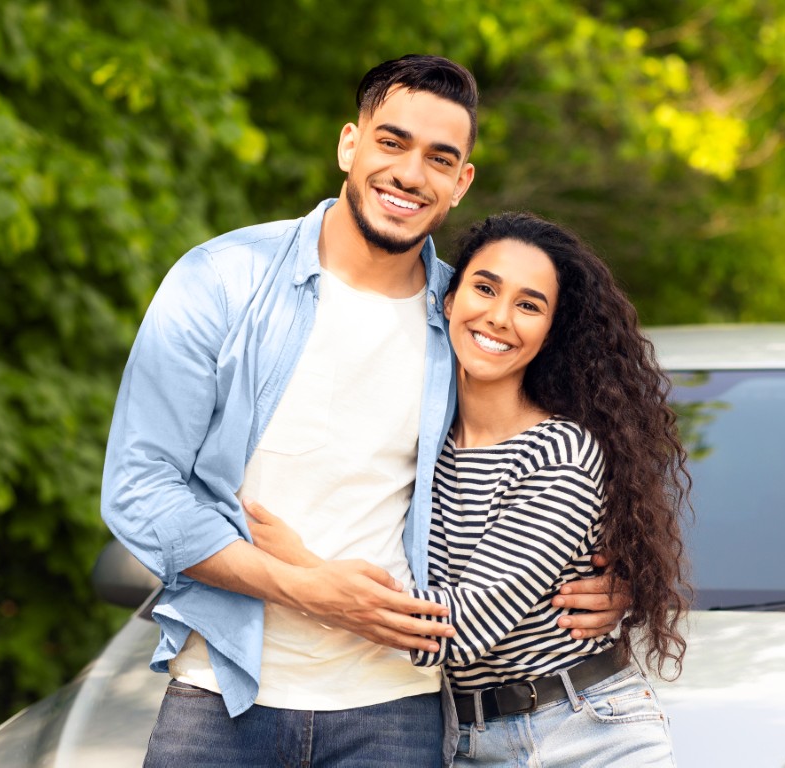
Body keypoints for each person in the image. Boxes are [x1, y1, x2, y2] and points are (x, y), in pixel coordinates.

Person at [100, 55, 626, 768]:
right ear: (350, 144)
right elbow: (140, 488)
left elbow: (559, 451)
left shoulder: (468, 320)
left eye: (440, 158)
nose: (411, 174)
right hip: (222, 692)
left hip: (396, 714)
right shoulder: (221, 281)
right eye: (392, 142)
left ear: (461, 182)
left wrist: (622, 577)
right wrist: (306, 587)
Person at [250, 211, 692, 767]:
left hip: (585, 735)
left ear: (552, 331)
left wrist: (299, 567)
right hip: (463, 742)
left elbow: (461, 630)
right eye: (484, 288)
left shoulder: (560, 451)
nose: (499, 317)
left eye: (529, 305)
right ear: (448, 300)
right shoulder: (419, 444)